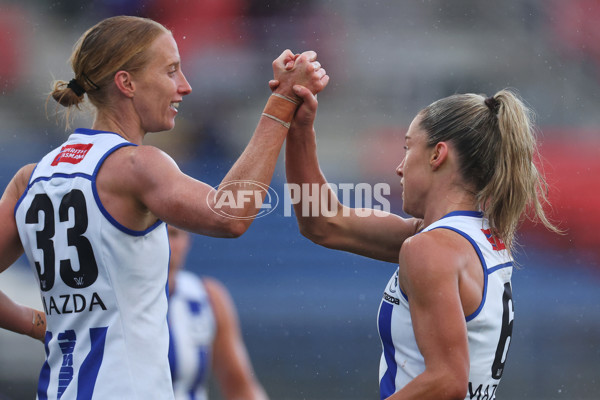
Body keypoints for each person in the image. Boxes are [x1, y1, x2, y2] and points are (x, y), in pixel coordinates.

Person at [0, 15, 328, 399]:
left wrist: (33, 322)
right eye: (171, 71)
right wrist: (281, 103)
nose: (185, 87)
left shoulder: (31, 177)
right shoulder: (137, 165)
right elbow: (230, 215)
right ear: (126, 83)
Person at [283, 82, 560, 399]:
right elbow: (322, 222)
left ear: (437, 155)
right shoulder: (478, 235)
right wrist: (299, 127)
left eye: (407, 148)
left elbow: (446, 382)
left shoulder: (431, 249)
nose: (399, 168)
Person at [166, 225, 268, 400]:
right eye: (157, 235)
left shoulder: (206, 298)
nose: (165, 244)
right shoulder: (114, 298)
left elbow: (240, 389)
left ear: (188, 241)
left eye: (173, 234)